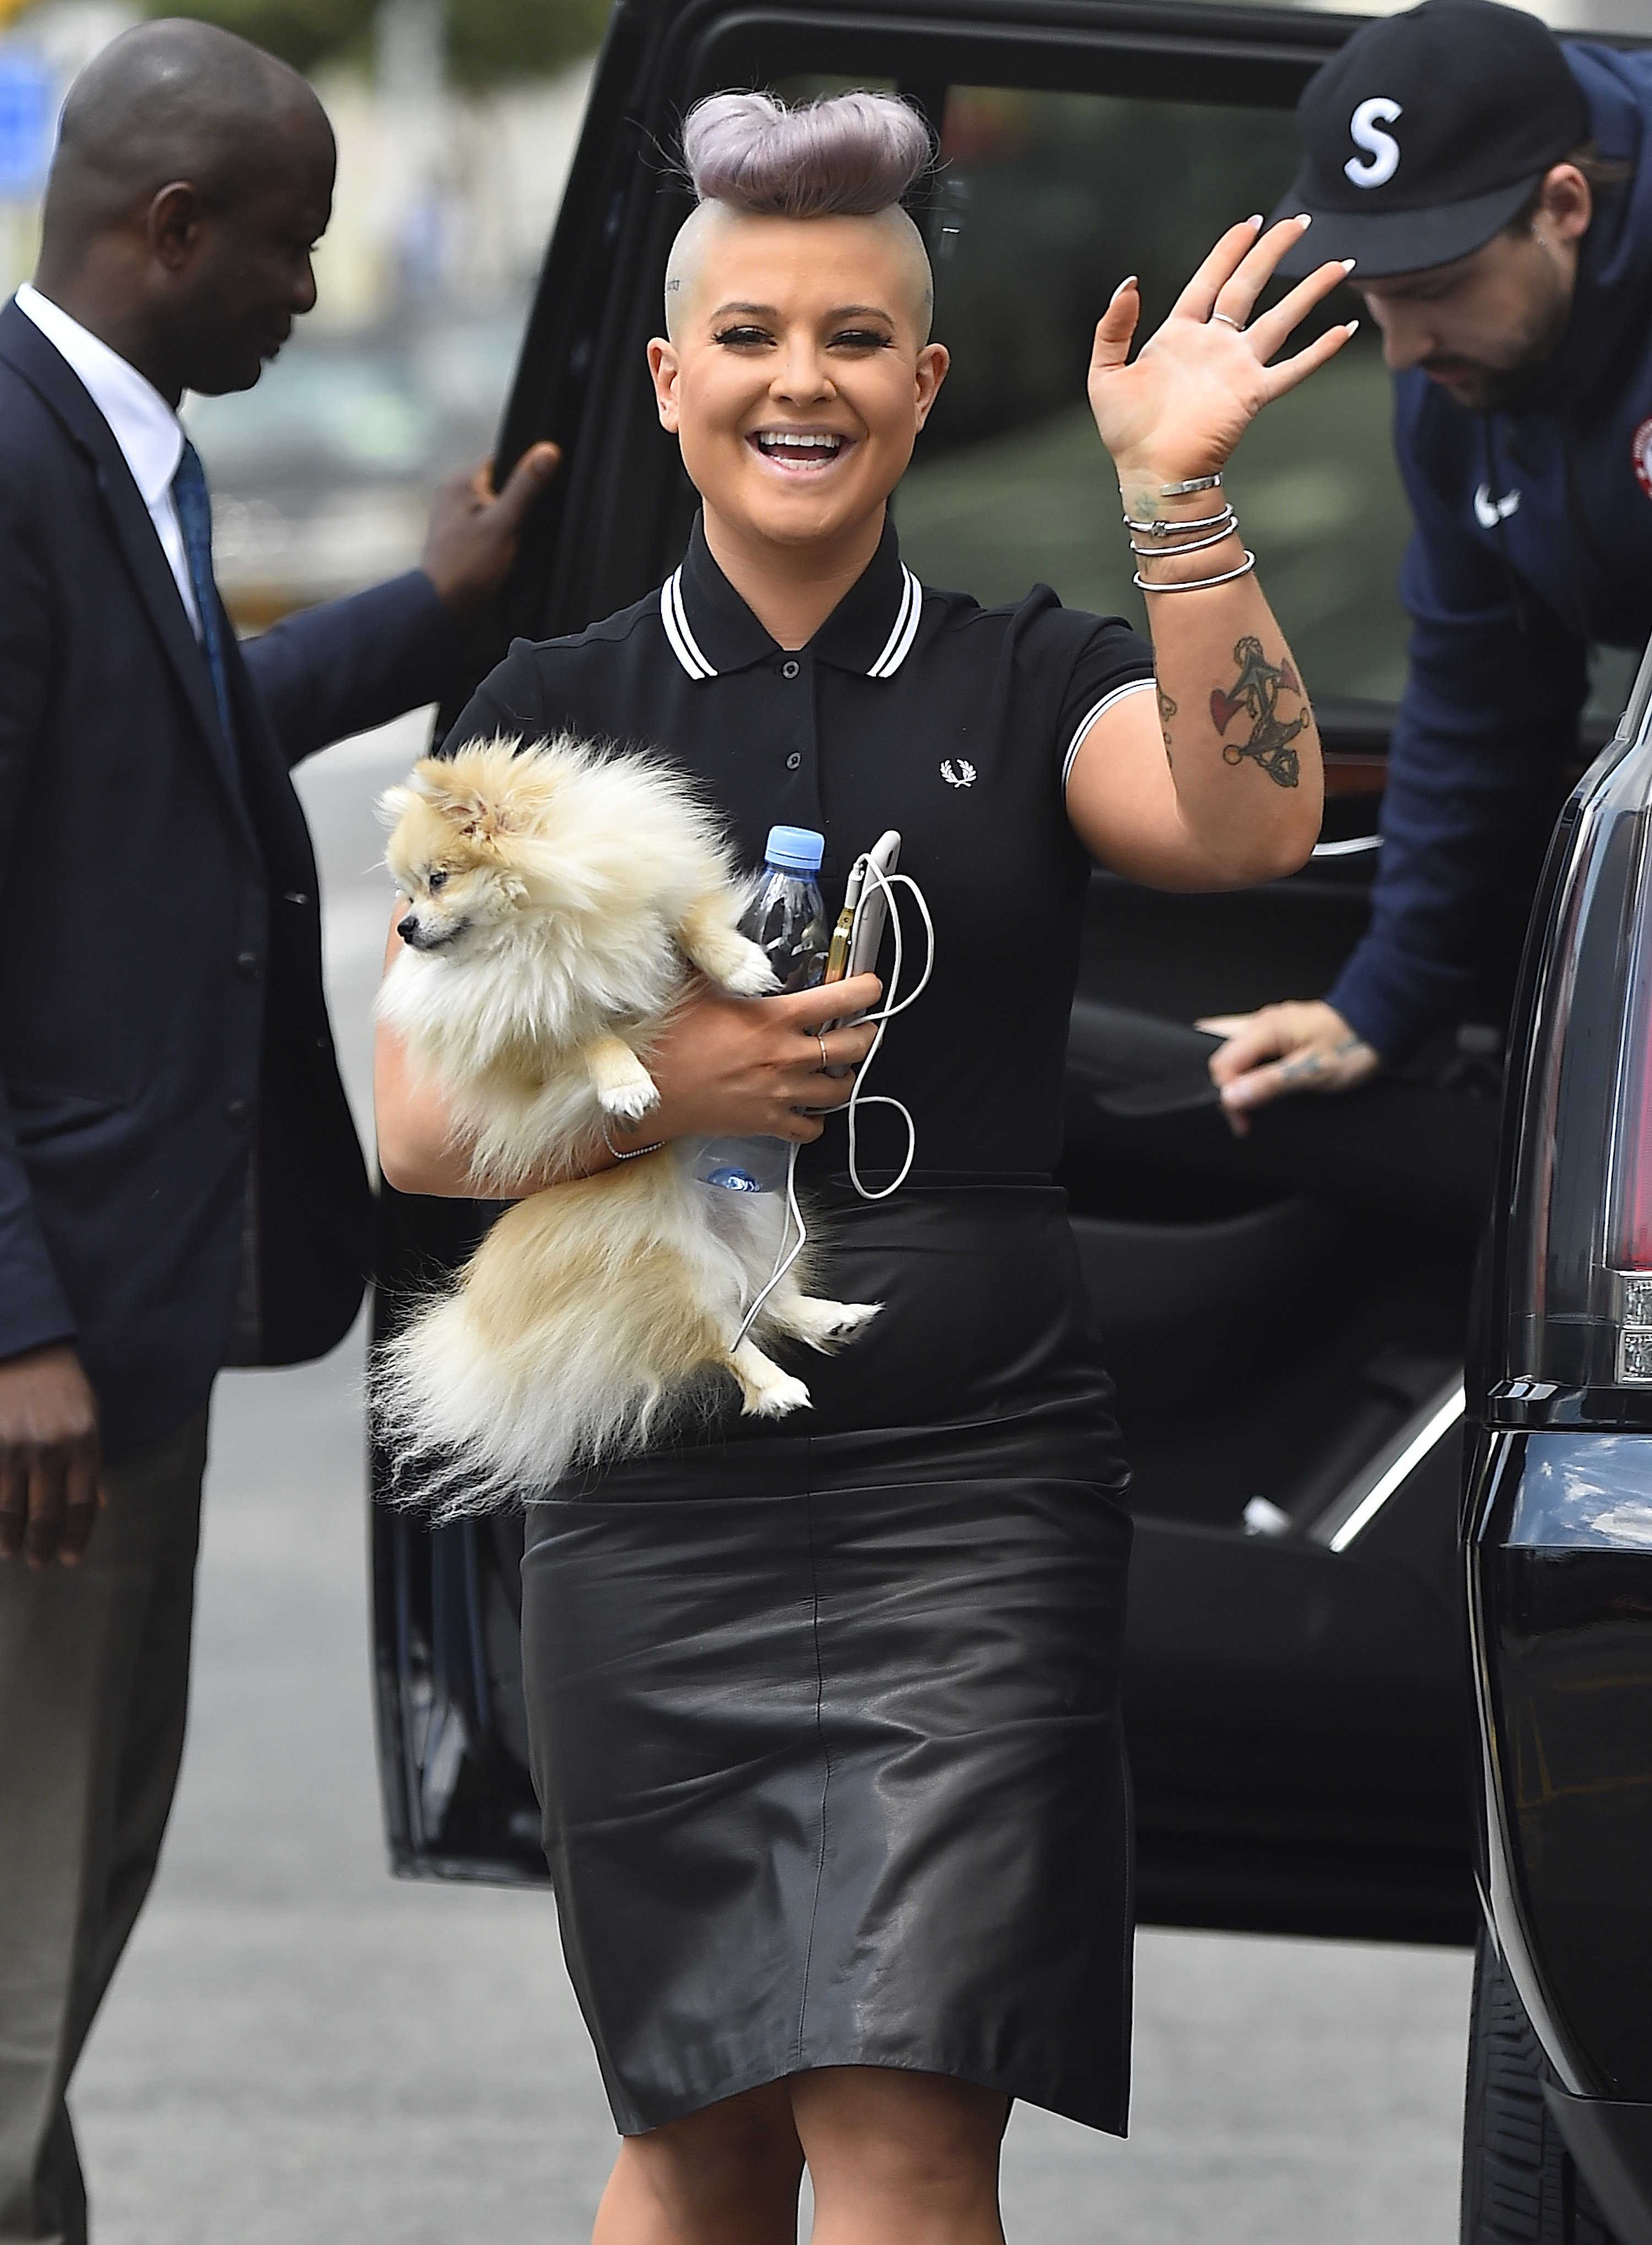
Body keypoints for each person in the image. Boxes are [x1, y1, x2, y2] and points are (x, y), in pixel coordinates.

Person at [375, 88, 1350, 2245]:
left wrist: (1179, 497)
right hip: (655, 1503)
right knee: (700, 2122)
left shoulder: (1038, 670)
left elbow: (1250, 826)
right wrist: (669, 1081)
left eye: (847, 339)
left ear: (922, 384)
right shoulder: (547, 711)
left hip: (974, 1502)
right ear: (670, 378)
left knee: (913, 2120)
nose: (795, 380)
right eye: (745, 334)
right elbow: (422, 1123)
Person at [0, 21, 557, 2243]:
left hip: (123, 1326)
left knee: (68, 1898)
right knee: (27, 1930)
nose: (311, 296)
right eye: (290, 249)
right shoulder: (18, 458)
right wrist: (15, 1323)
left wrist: (433, 613)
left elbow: (170, 744)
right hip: (49, 1356)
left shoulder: (105, 445)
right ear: (172, 229)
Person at [1200, 0, 1652, 1130]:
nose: (1401, 350)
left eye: (1435, 290)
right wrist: (1383, 1002)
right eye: (1375, 293)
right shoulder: (1455, 379)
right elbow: (1480, 680)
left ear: (1564, 207)